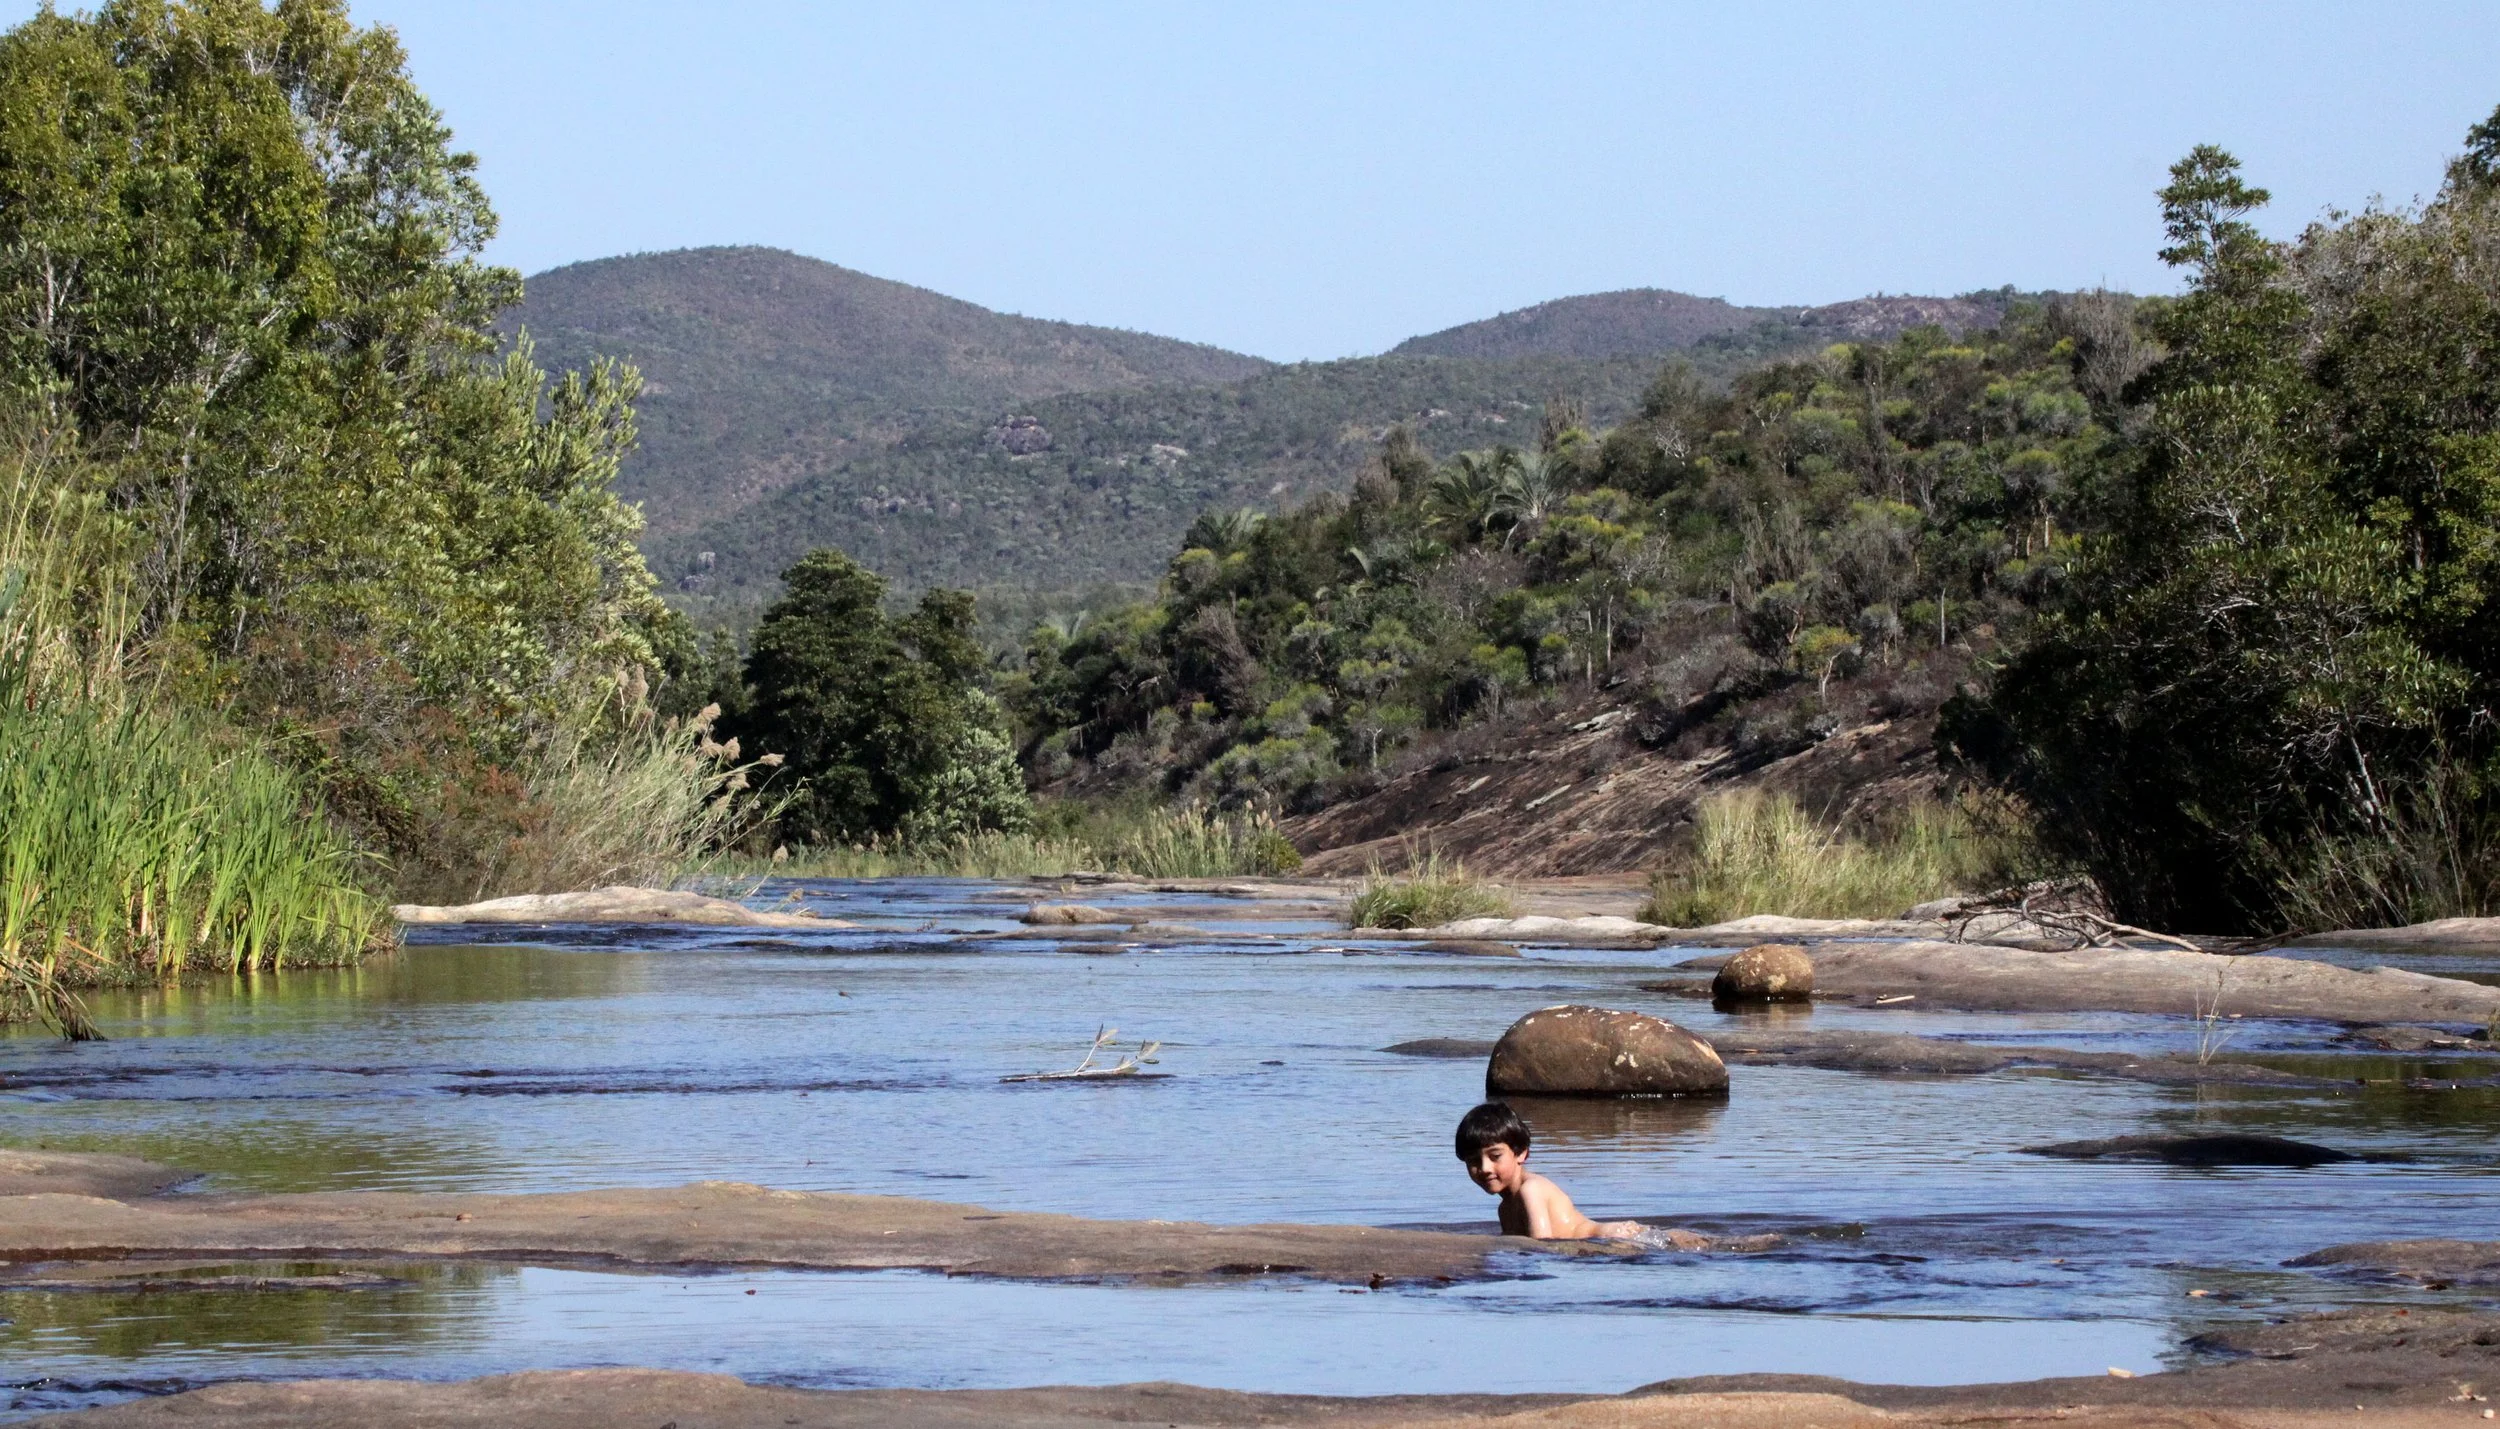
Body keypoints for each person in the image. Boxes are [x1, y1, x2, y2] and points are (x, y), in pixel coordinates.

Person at [1454, 1100, 1707, 1247]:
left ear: (1521, 1154)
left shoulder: (1531, 1190)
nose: (1485, 1168)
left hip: (1616, 1238)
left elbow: (1542, 1245)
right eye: (1474, 1161)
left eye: (1495, 1156)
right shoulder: (1505, 1208)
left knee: (1699, 1247)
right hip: (1608, 1241)